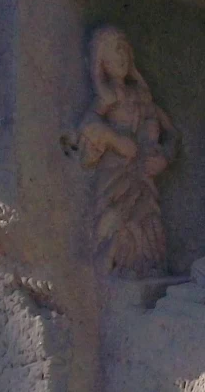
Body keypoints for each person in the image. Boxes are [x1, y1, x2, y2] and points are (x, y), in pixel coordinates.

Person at [75, 25, 175, 275]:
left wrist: (164, 157)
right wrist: (116, 141)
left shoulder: (142, 96)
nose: (120, 56)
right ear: (101, 61)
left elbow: (172, 133)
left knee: (147, 220)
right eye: (113, 51)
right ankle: (114, 267)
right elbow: (88, 126)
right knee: (116, 220)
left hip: (143, 176)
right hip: (115, 176)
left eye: (123, 50)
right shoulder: (108, 98)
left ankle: (145, 267)